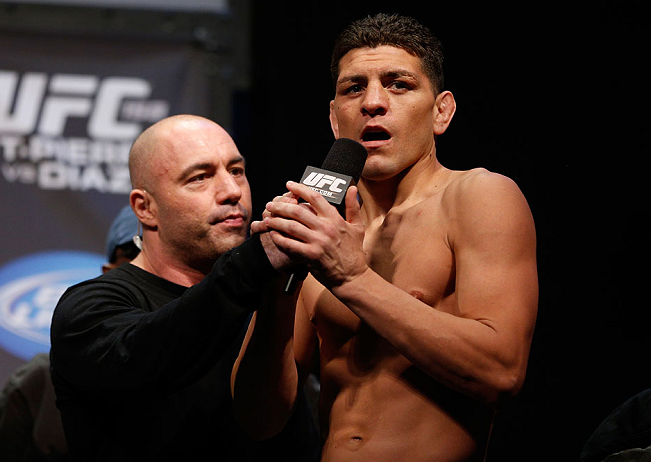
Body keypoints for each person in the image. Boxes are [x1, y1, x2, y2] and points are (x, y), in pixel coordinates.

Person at [231, 13, 538, 461]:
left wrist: (353, 278)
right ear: (335, 119)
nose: (373, 102)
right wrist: (276, 287)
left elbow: (501, 372)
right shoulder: (316, 230)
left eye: (399, 84)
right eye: (354, 88)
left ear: (441, 111)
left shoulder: (478, 195)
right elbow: (259, 420)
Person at [49, 114, 318, 462]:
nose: (231, 191)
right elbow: (152, 355)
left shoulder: (278, 294)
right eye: (200, 177)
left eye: (236, 170)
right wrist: (257, 260)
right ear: (145, 208)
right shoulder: (89, 308)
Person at [0, 205, 141, 462]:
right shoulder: (45, 385)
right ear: (109, 276)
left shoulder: (212, 383)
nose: (152, 275)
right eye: (137, 258)